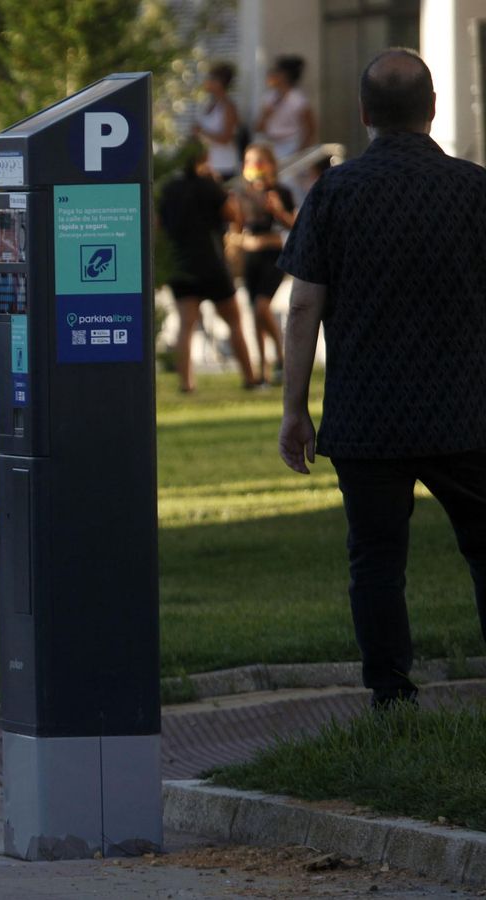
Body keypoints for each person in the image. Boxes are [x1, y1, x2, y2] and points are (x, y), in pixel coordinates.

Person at [278, 49, 486, 709]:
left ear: (363, 113)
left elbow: (304, 304)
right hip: (467, 410)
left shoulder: (334, 192)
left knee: (375, 559)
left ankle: (390, 693)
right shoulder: (476, 189)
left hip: (367, 413)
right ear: (432, 111)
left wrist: (294, 409)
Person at [158, 142, 260, 393]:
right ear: (203, 158)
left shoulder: (169, 189)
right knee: (234, 321)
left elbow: (158, 225)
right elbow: (234, 216)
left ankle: (187, 384)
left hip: (180, 264)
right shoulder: (210, 186)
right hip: (211, 262)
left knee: (186, 325)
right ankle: (250, 378)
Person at [233, 143, 295, 385]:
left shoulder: (281, 192)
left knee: (262, 306)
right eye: (249, 162)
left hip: (275, 257)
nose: (254, 168)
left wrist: (278, 211)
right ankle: (262, 371)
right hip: (252, 258)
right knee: (254, 313)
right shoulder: (241, 195)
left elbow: (294, 225)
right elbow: (236, 232)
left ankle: (281, 356)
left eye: (259, 162)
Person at [256, 55, 317, 167]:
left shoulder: (299, 100)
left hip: (292, 147)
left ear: (284, 76)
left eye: (275, 72)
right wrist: (266, 115)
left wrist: (300, 152)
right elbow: (258, 128)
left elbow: (311, 129)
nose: (271, 75)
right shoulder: (269, 98)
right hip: (271, 147)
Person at [193, 62, 241, 180]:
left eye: (211, 79)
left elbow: (226, 138)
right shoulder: (207, 105)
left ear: (220, 83)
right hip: (208, 165)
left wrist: (202, 132)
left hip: (224, 165)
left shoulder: (228, 107)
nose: (206, 82)